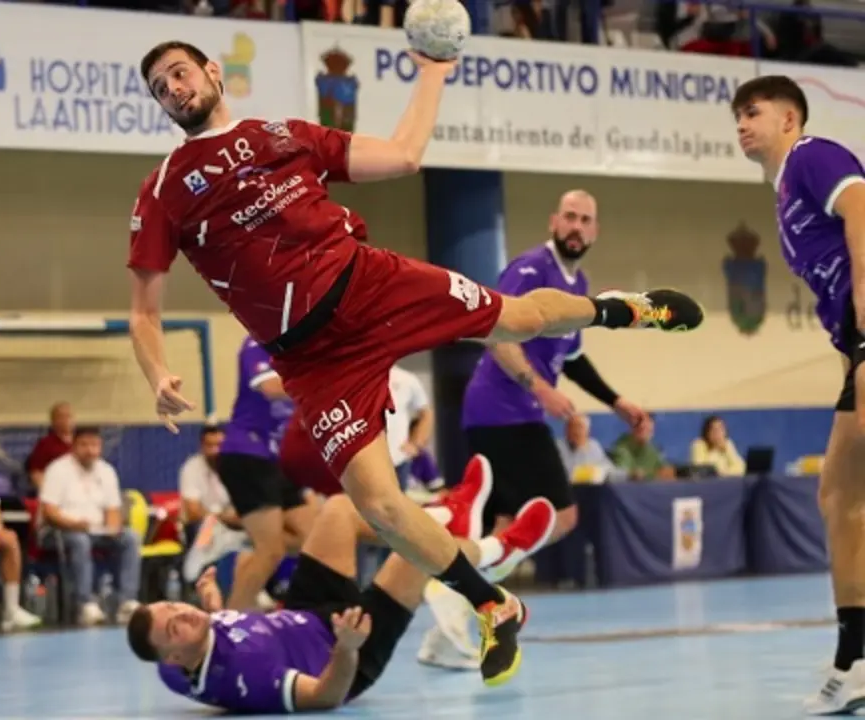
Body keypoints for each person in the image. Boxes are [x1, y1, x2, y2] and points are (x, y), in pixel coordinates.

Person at [126, 40, 703, 684]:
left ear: (210, 71)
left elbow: (404, 155)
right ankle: (492, 601)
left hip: (371, 285)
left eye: (178, 72)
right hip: (314, 360)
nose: (172, 88)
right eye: (157, 86)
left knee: (518, 318)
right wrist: (157, 372)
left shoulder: (283, 134)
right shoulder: (164, 191)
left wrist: (432, 73)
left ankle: (622, 310)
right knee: (379, 506)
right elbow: (143, 313)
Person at [125, 455, 557, 712]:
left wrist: (213, 610)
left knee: (337, 509)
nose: (181, 613)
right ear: (174, 652)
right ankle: (503, 549)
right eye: (173, 626)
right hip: (347, 648)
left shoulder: (174, 669)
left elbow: (200, 666)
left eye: (172, 607)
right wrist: (348, 648)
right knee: (418, 554)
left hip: (304, 610)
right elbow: (325, 697)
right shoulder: (248, 675)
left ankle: (448, 513)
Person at [732, 75, 865, 715]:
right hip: (855, 351)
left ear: (790, 118)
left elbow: (863, 211)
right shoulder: (784, 194)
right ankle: (856, 652)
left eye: (752, 112)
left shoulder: (813, 155)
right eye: (737, 116)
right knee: (838, 492)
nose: (741, 124)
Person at [463, 189, 649, 544]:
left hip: (517, 417)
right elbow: (496, 333)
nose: (576, 227)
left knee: (505, 524)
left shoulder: (579, 285)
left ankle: (472, 589)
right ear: (554, 222)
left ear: (595, 231)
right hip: (500, 413)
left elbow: (573, 358)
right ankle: (470, 579)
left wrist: (616, 401)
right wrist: (541, 389)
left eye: (585, 220)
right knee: (561, 516)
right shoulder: (531, 268)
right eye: (569, 217)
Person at [215, 337, 315, 610]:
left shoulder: (298, 349)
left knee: (316, 538)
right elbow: (271, 387)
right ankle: (230, 621)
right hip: (247, 455)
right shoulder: (257, 343)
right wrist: (322, 382)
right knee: (271, 551)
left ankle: (247, 551)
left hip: (277, 459)